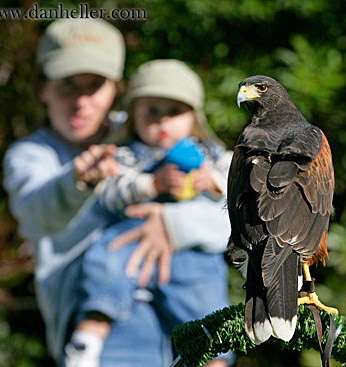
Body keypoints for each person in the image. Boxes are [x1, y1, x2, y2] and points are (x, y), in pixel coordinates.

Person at [3, 19, 230, 366]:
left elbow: (238, 215)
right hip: (105, 326)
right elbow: (38, 211)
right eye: (67, 85)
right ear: (43, 88)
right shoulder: (32, 156)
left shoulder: (154, 124)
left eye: (94, 85)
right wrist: (77, 181)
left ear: (116, 89)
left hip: (187, 303)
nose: (81, 101)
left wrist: (173, 223)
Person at [64, 59, 234, 367]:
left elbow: (242, 182)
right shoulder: (126, 154)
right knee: (105, 263)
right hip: (130, 243)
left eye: (174, 111)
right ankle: (87, 339)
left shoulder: (209, 153)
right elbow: (109, 195)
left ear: (194, 116)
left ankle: (214, 360)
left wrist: (212, 182)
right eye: (152, 111)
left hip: (190, 251)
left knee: (204, 301)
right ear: (133, 116)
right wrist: (150, 184)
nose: (162, 122)